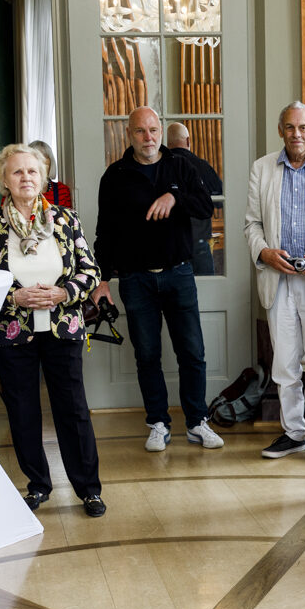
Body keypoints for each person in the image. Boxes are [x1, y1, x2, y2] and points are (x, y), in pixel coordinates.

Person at [0, 143, 107, 518]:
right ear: (4, 180)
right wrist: (18, 297)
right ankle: (38, 485)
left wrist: (64, 292)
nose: (25, 178)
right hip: (14, 331)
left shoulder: (66, 219)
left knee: (73, 409)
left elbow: (90, 271)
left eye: (32, 171)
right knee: (22, 410)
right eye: (17, 172)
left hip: (64, 325)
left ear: (43, 177)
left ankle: (88, 490)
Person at [92, 105, 223, 453]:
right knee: (147, 354)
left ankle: (197, 422)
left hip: (179, 273)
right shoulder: (115, 176)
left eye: (153, 130)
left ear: (161, 132)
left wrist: (174, 195)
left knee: (192, 352)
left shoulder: (181, 165)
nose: (148, 138)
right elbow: (104, 233)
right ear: (129, 135)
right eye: (140, 131)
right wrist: (102, 280)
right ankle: (158, 423)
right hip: (136, 280)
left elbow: (205, 206)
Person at [245, 101, 305, 463]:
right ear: (280, 130)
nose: (296, 134)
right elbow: (251, 223)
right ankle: (293, 433)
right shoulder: (262, 169)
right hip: (278, 278)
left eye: (303, 127)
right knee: (284, 364)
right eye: (290, 127)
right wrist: (265, 253)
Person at [166, 120, 223, 276]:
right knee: (206, 291)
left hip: (169, 246)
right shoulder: (201, 166)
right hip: (198, 244)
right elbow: (219, 202)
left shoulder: (161, 167)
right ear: (188, 141)